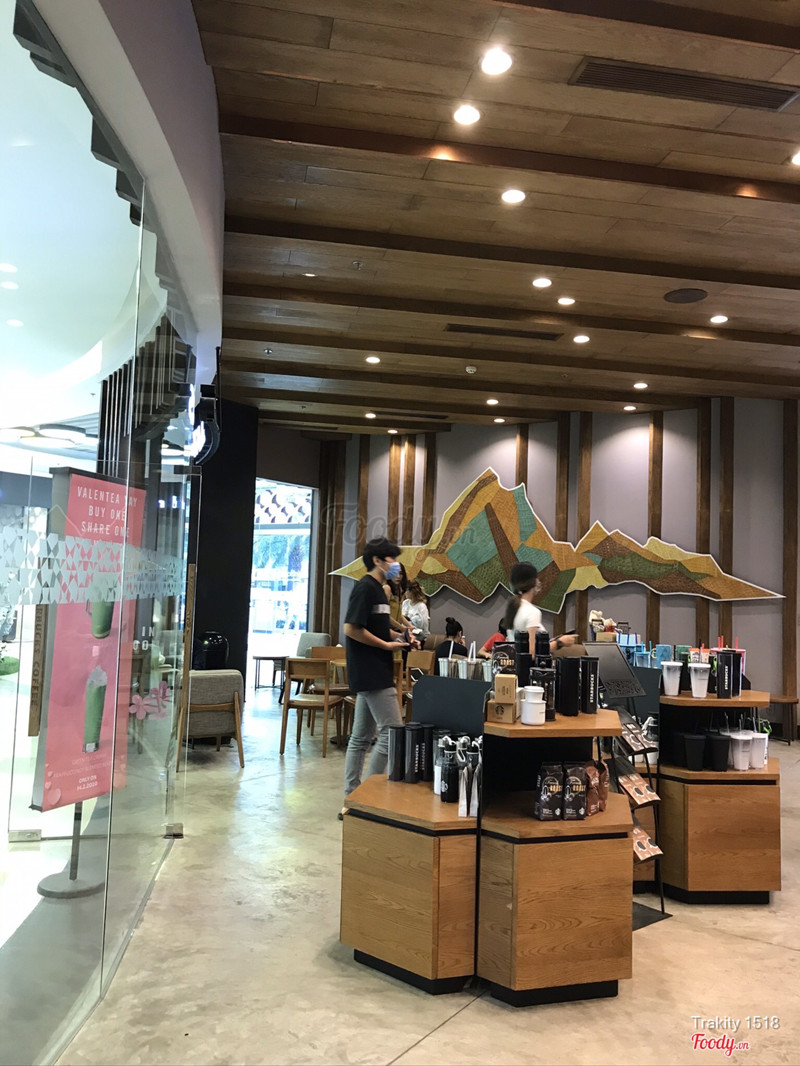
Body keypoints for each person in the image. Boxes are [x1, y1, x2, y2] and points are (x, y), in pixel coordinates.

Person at [342, 537, 414, 818]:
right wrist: (386, 645)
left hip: (376, 669)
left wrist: (401, 637)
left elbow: (380, 628)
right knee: (392, 734)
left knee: (360, 738)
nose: (396, 565)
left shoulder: (379, 592)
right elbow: (351, 628)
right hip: (371, 670)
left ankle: (352, 799)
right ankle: (366, 799)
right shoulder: (365, 588)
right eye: (391, 559)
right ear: (377, 560)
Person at [501, 562, 579, 655]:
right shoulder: (532, 612)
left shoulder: (514, 608)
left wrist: (547, 642)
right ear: (532, 581)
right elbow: (531, 652)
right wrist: (559, 643)